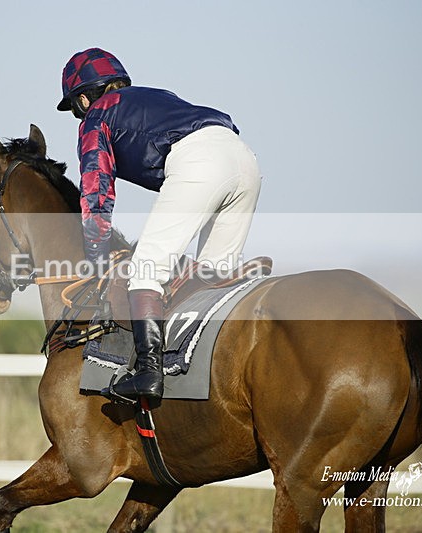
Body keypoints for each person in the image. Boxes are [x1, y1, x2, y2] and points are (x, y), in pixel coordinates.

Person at [57, 47, 261, 401]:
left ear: (86, 97)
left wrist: (95, 249)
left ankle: (149, 374)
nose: (79, 115)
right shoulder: (155, 96)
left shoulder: (97, 116)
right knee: (211, 277)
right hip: (244, 158)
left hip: (200, 160)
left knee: (145, 271)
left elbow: (96, 190)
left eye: (76, 107)